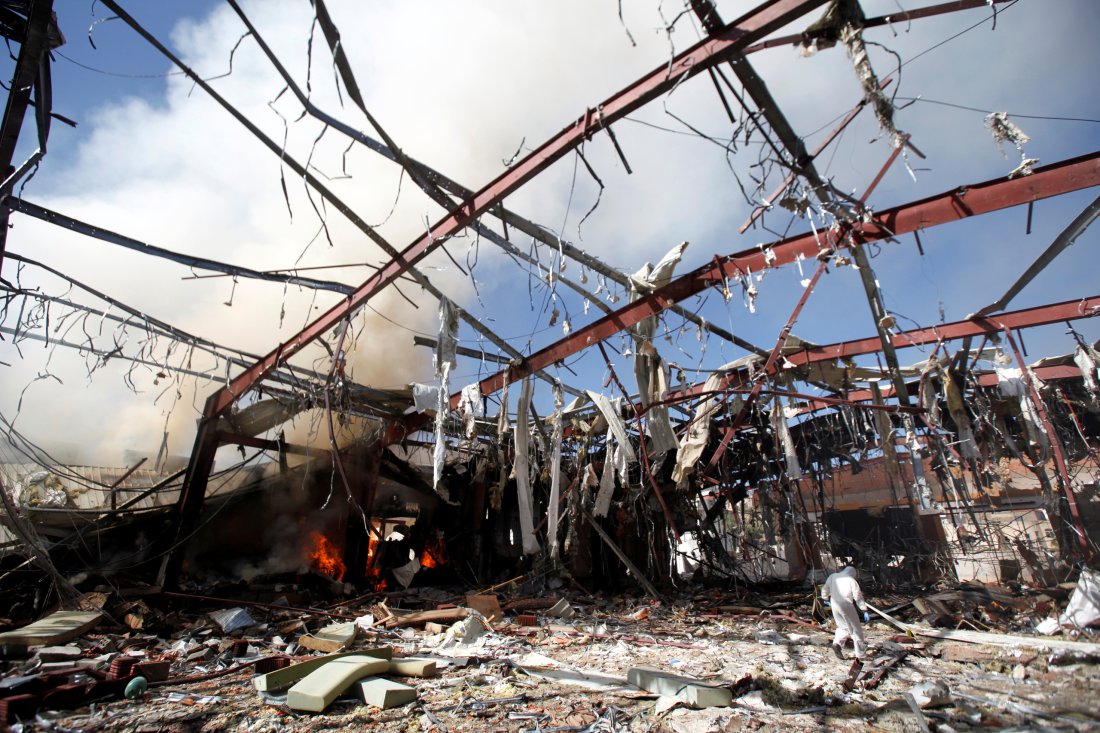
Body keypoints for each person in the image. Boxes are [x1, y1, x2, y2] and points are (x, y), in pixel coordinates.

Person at [821, 566, 870, 660]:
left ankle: (837, 643)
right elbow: (858, 596)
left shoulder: (833, 576)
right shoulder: (851, 580)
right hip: (846, 605)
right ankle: (860, 655)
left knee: (842, 627)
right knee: (856, 630)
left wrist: (825, 598)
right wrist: (864, 609)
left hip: (834, 604)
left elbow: (825, 589)